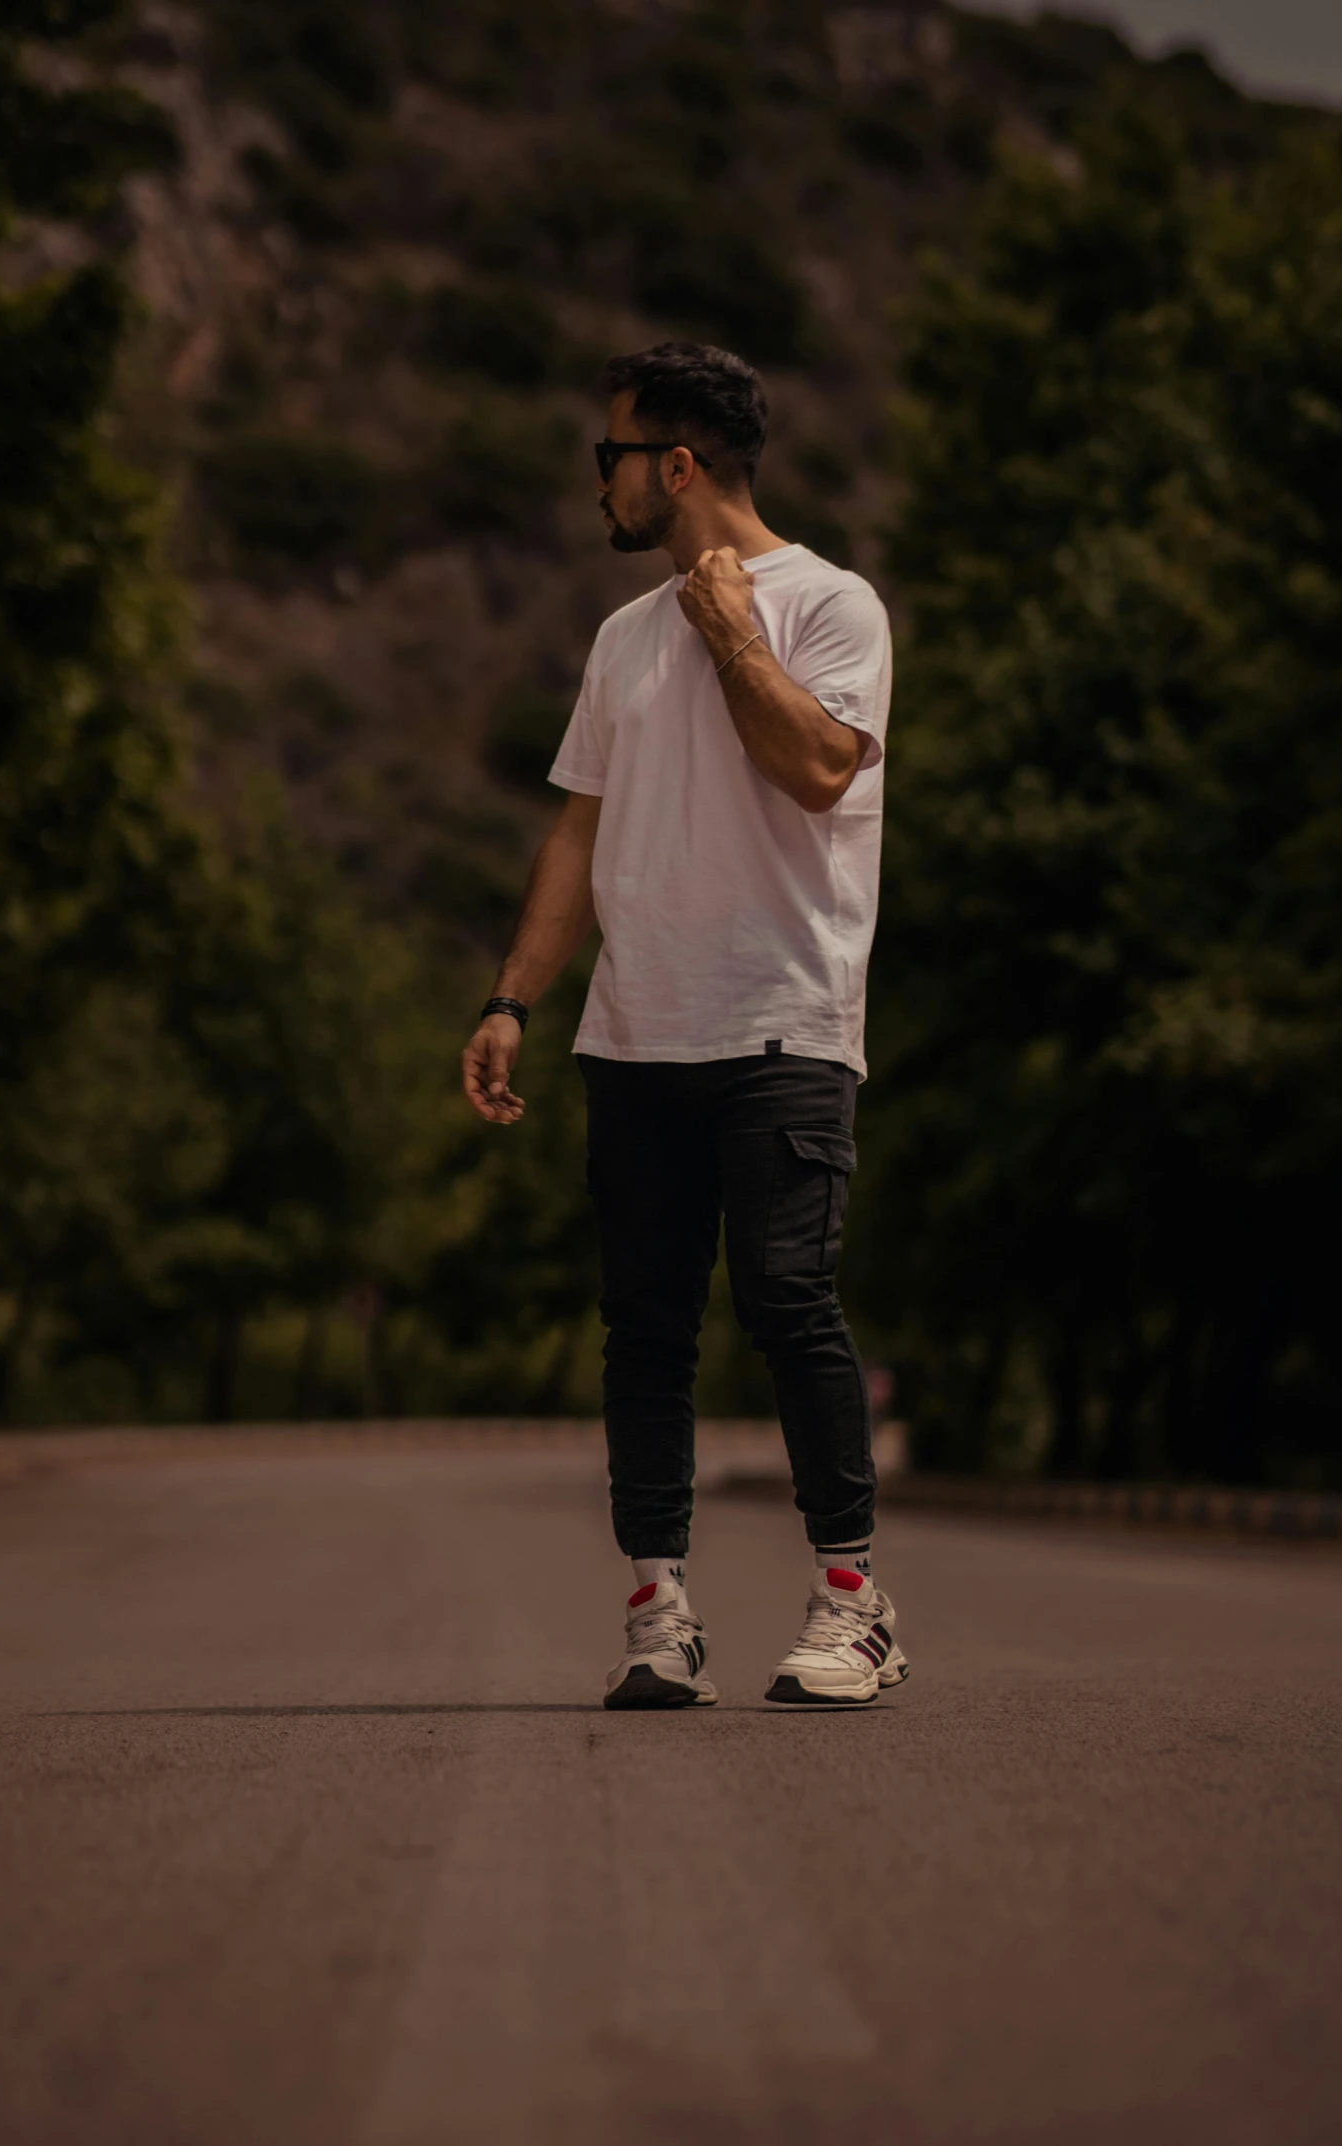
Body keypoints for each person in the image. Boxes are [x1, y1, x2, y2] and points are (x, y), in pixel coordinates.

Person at [460, 341, 907, 1709]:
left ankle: (854, 1602)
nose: (597, 483)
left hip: (786, 1026)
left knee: (785, 1299)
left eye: (611, 457)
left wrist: (730, 635)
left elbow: (821, 769)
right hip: (636, 1035)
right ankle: (661, 1611)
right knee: (645, 1327)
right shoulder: (617, 641)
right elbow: (578, 836)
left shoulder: (834, 605)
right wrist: (510, 996)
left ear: (678, 466)